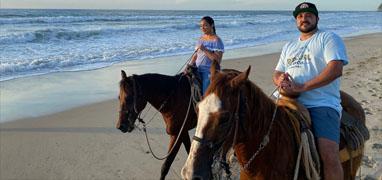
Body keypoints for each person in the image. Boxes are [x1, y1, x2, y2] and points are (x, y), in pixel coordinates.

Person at [272, 2, 348, 180]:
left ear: (317, 18)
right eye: (299, 16)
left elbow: (336, 68)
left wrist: (302, 87)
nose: (303, 18)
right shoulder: (289, 46)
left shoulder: (328, 38)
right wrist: (280, 79)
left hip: (320, 103)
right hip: (284, 100)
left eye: (308, 15)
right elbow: (277, 72)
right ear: (296, 21)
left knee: (329, 155)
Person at [189, 16, 224, 94]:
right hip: (197, 69)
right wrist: (189, 65)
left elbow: (217, 61)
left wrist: (205, 49)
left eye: (205, 25)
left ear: (212, 25)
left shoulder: (217, 40)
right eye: (201, 26)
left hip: (208, 71)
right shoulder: (201, 39)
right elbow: (195, 56)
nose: (202, 28)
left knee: (205, 93)